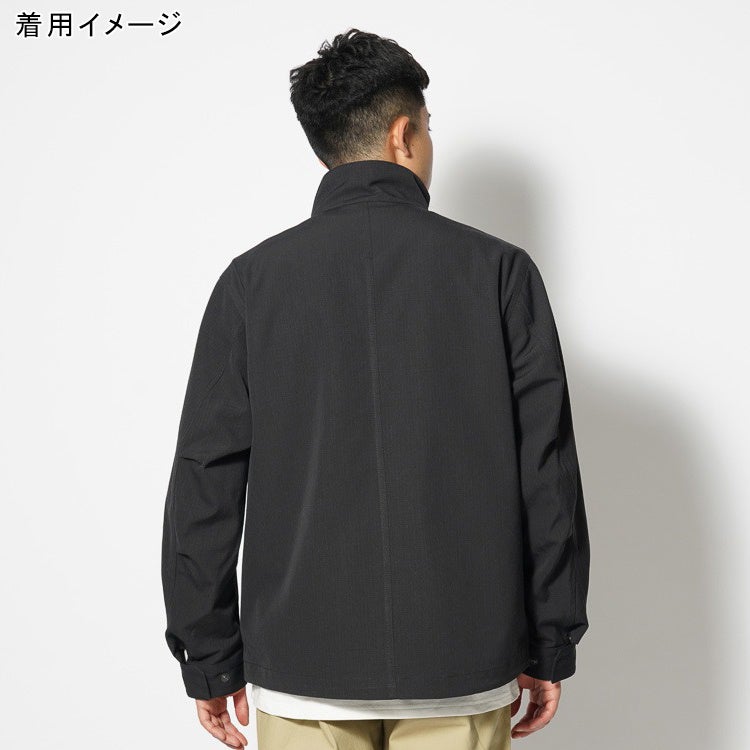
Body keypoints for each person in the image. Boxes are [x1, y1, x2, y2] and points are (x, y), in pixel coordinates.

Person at [161, 27, 590, 750]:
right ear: (403, 134)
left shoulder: (251, 284)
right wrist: (551, 641)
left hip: (303, 666)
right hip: (462, 656)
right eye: (428, 128)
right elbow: (545, 472)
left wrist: (208, 657)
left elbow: (206, 480)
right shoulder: (499, 273)